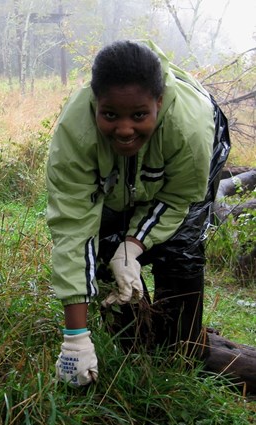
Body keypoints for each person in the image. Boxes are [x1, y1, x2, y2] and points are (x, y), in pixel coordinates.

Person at [47, 40, 230, 387]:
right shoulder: (75, 132)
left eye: (139, 115)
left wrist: (134, 245)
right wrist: (75, 336)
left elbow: (178, 199)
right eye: (110, 114)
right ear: (94, 102)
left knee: (180, 248)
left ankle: (181, 349)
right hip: (121, 176)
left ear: (159, 103)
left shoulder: (189, 128)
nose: (125, 129)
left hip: (190, 155)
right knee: (102, 246)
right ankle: (130, 342)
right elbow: (73, 228)